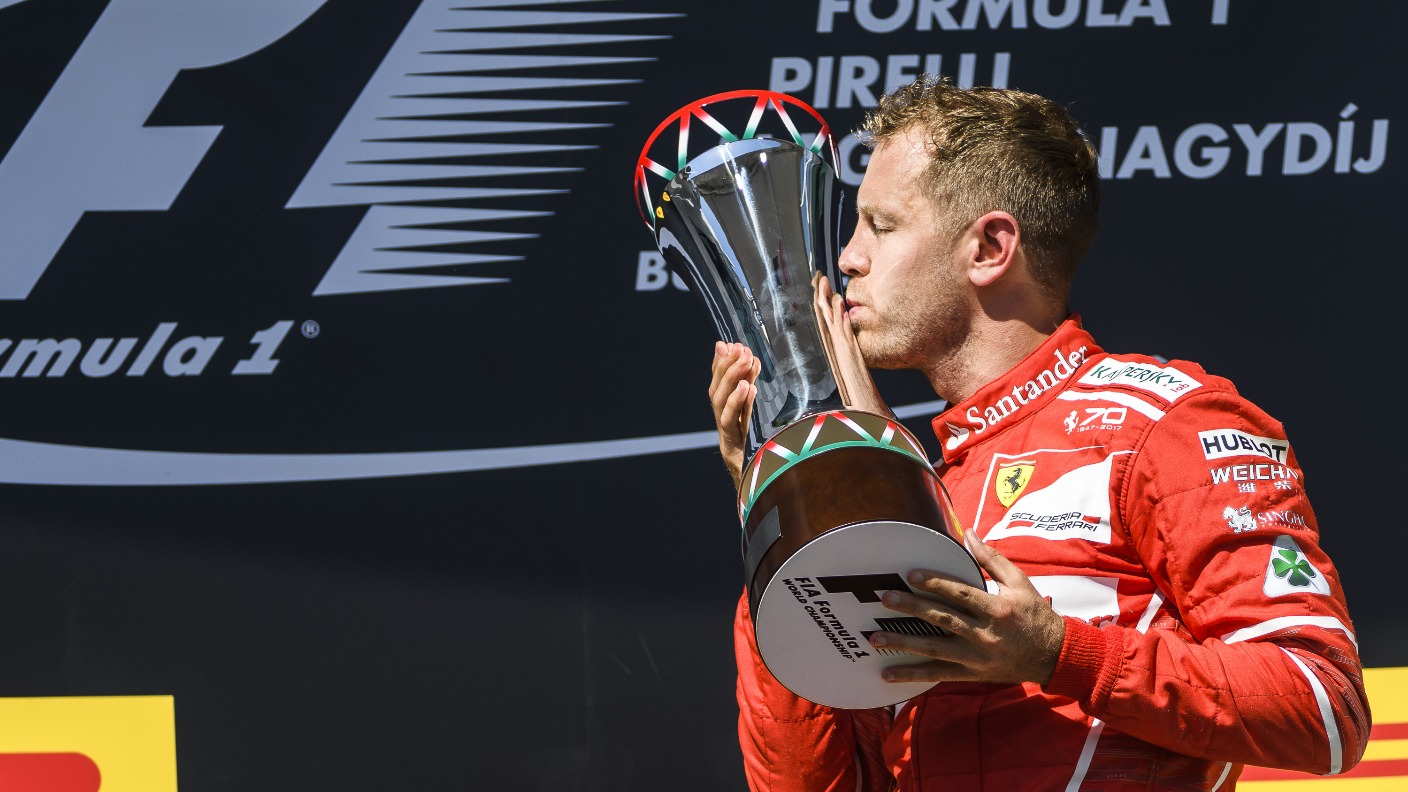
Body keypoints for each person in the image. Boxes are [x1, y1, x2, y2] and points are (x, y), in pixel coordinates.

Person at [707, 76, 1369, 791]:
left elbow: (1324, 708)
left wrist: (1058, 654)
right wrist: (781, 515)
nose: (848, 258)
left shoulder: (1163, 423)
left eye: (882, 225)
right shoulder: (927, 493)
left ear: (990, 248)